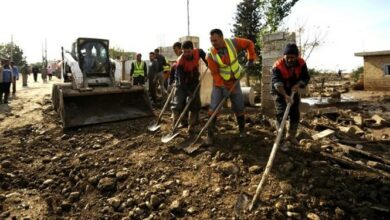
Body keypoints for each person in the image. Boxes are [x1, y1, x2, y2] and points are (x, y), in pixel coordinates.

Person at [206, 28, 256, 145]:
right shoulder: (210, 55)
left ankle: (242, 130)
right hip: (219, 83)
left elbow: (249, 43)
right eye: (211, 41)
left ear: (222, 38)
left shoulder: (233, 43)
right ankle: (209, 134)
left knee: (239, 105)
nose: (213, 43)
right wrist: (223, 88)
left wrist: (251, 58)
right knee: (214, 107)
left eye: (216, 40)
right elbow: (215, 74)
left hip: (234, 81)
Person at [271, 43, 310, 151]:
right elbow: (277, 83)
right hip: (279, 91)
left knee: (295, 113)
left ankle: (291, 136)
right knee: (281, 113)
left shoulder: (301, 63)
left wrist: (298, 85)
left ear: (296, 57)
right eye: (288, 57)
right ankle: (281, 140)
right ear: (284, 56)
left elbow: (305, 76)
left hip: (293, 89)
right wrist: (285, 96)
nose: (290, 60)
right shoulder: (277, 66)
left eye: (292, 57)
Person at [171, 40, 207, 133]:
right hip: (182, 83)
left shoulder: (198, 52)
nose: (186, 54)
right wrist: (189, 93)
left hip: (194, 81)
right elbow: (181, 82)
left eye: (188, 51)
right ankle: (175, 125)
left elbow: (203, 54)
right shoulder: (180, 62)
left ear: (192, 50)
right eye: (184, 52)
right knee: (178, 103)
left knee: (195, 104)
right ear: (182, 50)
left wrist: (207, 62)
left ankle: (191, 126)